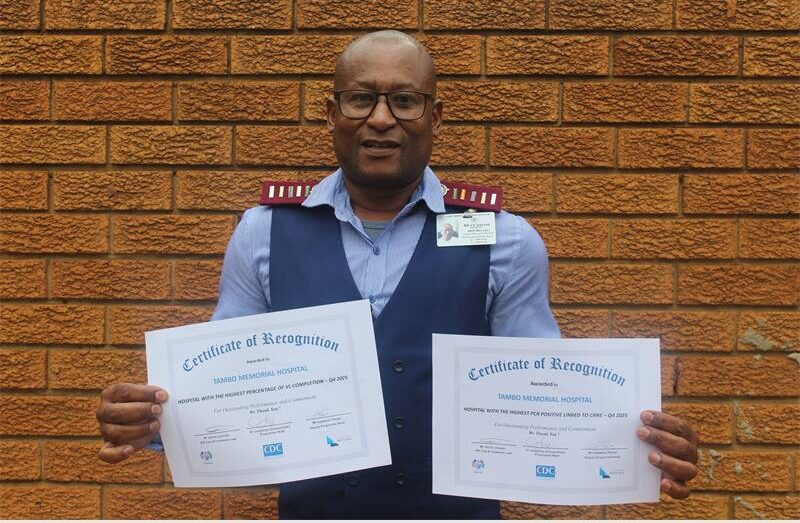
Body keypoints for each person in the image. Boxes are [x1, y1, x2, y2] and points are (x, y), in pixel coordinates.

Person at [96, 30, 698, 518]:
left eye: (404, 100)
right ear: (332, 113)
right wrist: (155, 420)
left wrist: (636, 443)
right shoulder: (263, 231)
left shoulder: (507, 238)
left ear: (436, 116)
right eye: (362, 98)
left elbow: (542, 389)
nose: (381, 119)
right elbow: (228, 384)